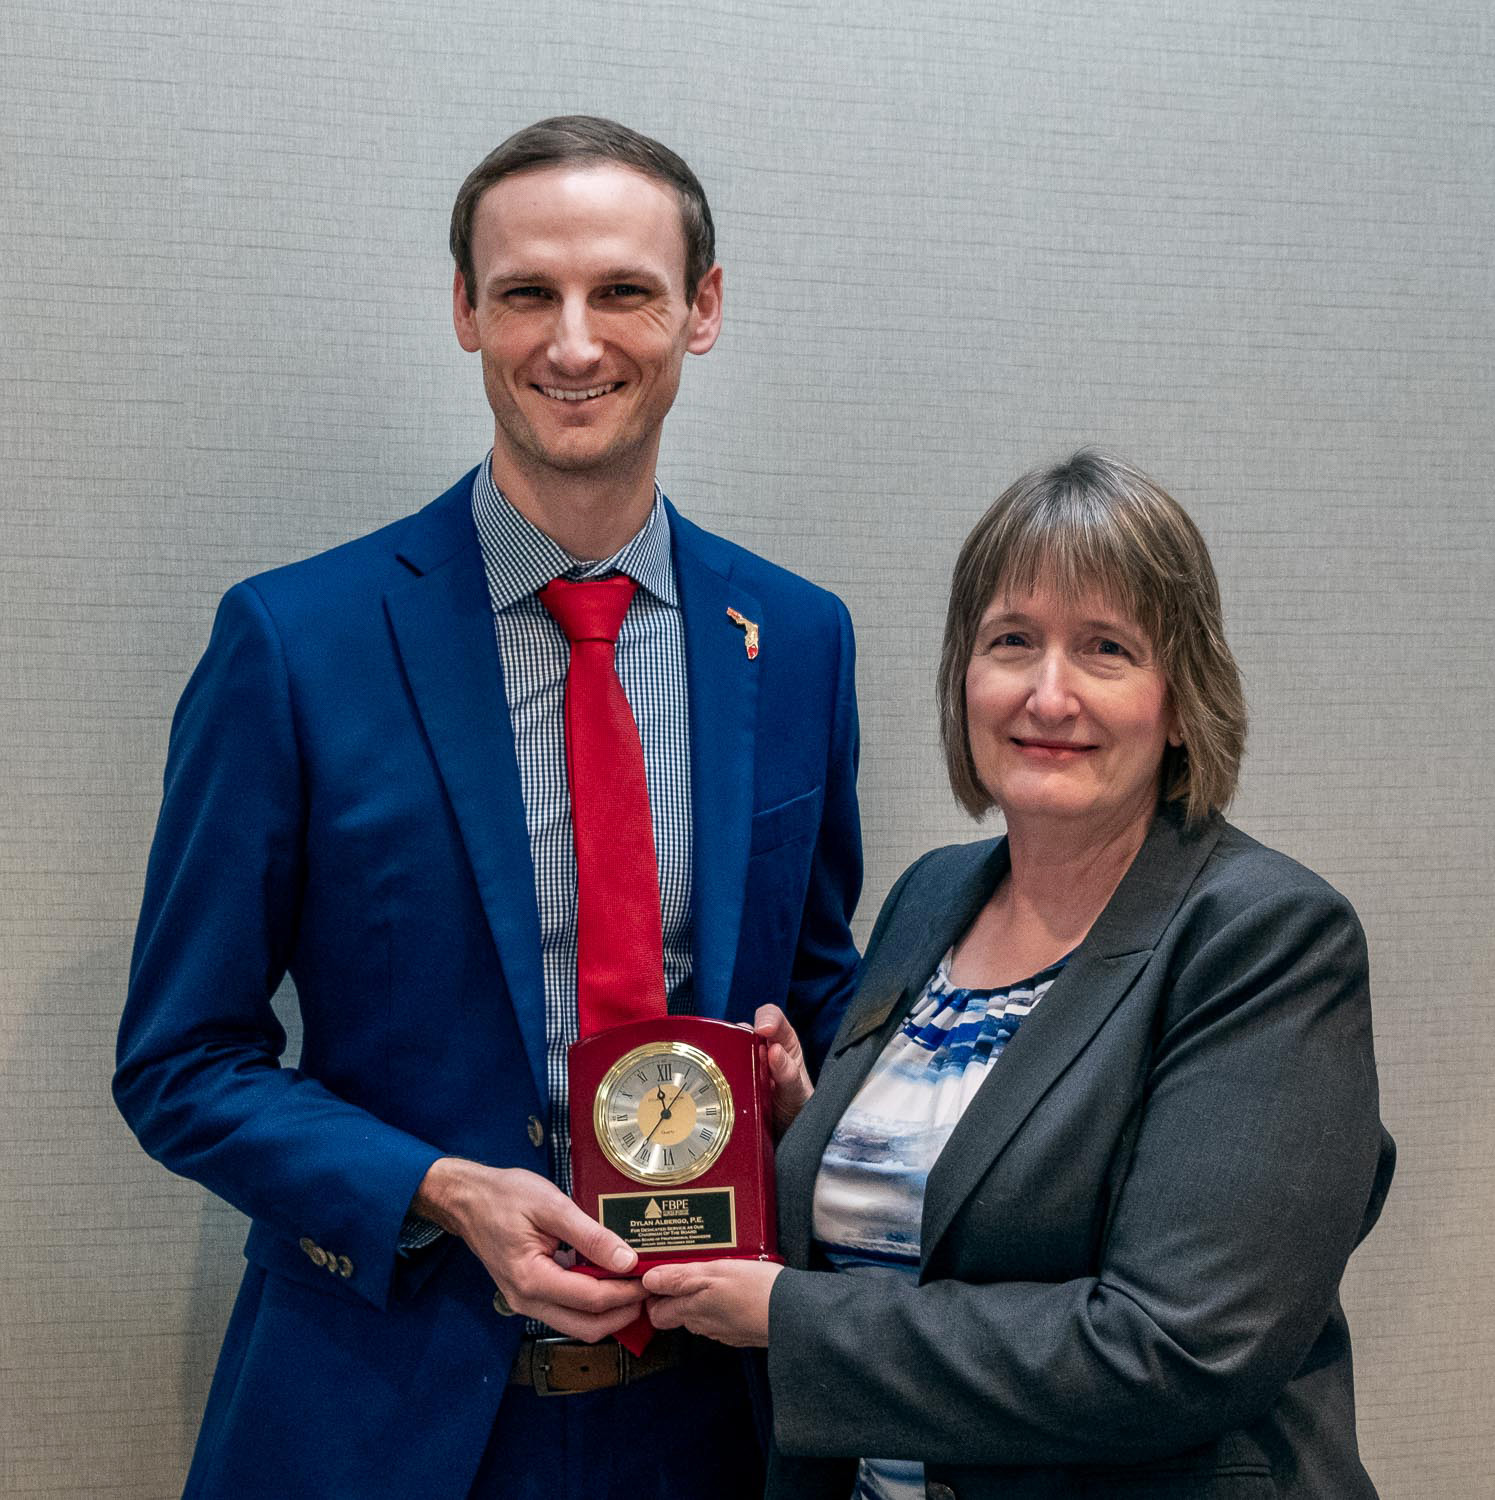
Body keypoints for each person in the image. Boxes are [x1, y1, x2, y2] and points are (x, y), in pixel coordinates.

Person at [113, 116, 862, 1499]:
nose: (573, 344)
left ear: (701, 310)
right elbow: (179, 1062)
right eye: (526, 293)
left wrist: (805, 1096)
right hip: (385, 1417)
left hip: (715, 1421)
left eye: (623, 292)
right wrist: (440, 1191)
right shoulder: (295, 643)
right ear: (464, 310)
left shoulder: (797, 639)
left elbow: (819, 994)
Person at [645, 451, 1395, 1499]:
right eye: (1011, 642)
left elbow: (1172, 1349)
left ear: (1180, 700)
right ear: (965, 676)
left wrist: (785, 1315)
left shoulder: (1266, 939)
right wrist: (816, 1135)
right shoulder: (931, 898)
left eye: (1105, 649)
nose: (1049, 693)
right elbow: (958, 1198)